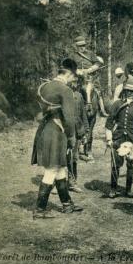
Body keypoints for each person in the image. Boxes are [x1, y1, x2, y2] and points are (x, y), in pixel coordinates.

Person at [31, 58, 83, 218]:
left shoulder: (45, 86)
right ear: (68, 73)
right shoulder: (65, 90)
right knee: (52, 169)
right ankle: (39, 209)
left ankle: (67, 204)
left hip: (45, 130)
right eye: (73, 76)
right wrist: (72, 137)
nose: (73, 80)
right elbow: (69, 118)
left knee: (60, 168)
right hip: (57, 133)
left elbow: (39, 112)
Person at [105, 76, 133, 198]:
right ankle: (113, 189)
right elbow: (109, 124)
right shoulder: (117, 104)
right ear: (124, 90)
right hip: (117, 138)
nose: (131, 93)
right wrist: (109, 139)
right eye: (128, 91)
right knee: (115, 163)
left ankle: (128, 190)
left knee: (131, 166)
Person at [70, 35, 107, 116]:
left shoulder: (90, 53)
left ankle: (102, 110)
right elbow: (69, 66)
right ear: (76, 46)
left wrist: (90, 69)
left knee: (98, 91)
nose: (82, 47)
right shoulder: (73, 55)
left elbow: (97, 63)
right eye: (80, 46)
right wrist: (77, 71)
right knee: (69, 90)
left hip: (91, 76)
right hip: (77, 77)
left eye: (83, 45)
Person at [67, 76, 89, 193]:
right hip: (66, 131)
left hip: (78, 131)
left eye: (76, 81)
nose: (74, 84)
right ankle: (58, 182)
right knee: (64, 157)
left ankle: (73, 182)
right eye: (72, 81)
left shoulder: (79, 96)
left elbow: (83, 114)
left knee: (74, 157)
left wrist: (86, 131)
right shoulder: (64, 94)